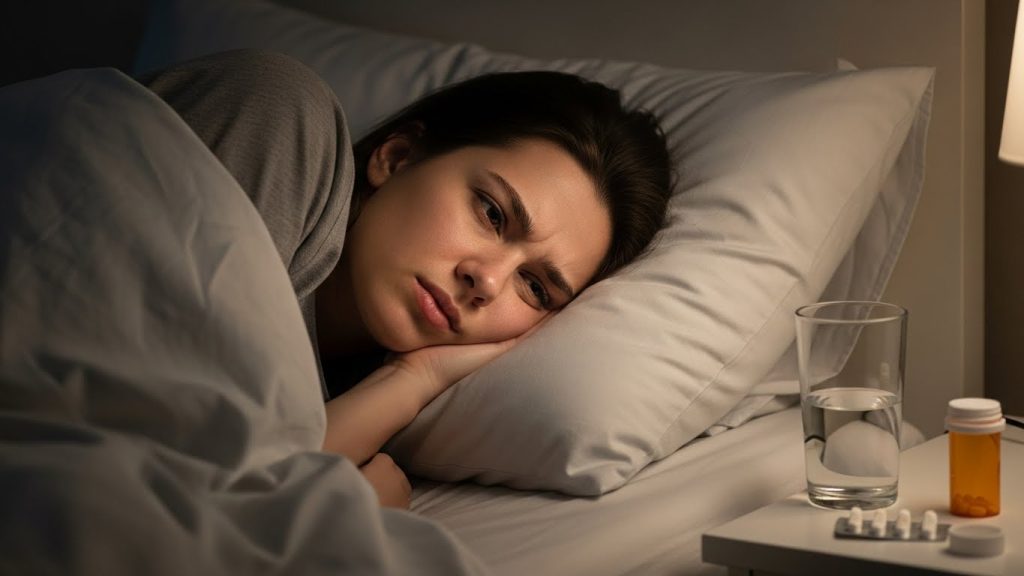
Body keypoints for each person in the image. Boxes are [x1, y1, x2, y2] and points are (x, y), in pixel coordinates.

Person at [142, 49, 673, 509]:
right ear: (396, 157)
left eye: (535, 287)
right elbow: (174, 480)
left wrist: (412, 381)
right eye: (491, 213)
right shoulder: (275, 111)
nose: (485, 281)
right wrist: (339, 507)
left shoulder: (337, 400)